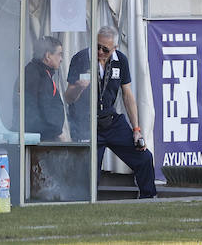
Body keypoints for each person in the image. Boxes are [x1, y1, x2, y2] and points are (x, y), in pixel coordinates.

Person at [64, 26, 156, 197]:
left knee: (144, 157)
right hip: (86, 123)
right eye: (97, 46)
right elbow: (68, 98)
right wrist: (78, 88)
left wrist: (136, 130)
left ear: (115, 48)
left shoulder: (121, 60)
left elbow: (127, 95)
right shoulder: (81, 58)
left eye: (105, 49)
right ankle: (85, 206)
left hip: (111, 120)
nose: (100, 52)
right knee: (90, 174)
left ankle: (148, 198)